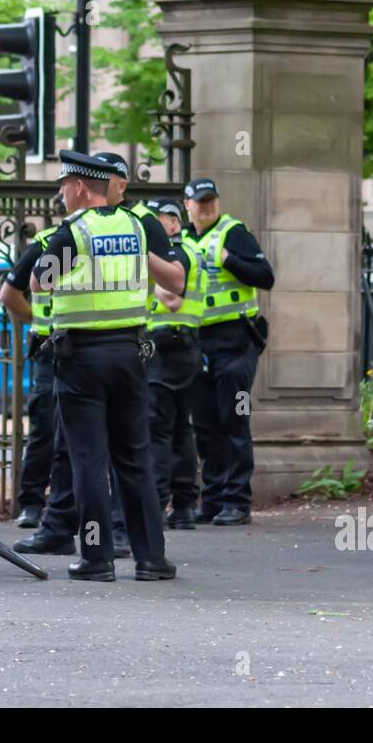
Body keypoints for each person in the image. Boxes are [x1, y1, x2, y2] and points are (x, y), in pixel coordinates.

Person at [31, 149, 182, 581]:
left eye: (63, 186)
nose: (61, 194)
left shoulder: (74, 232)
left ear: (80, 187)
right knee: (135, 458)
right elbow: (166, 275)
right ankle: (152, 557)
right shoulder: (137, 226)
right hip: (131, 354)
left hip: (82, 359)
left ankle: (96, 558)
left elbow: (40, 281)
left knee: (88, 459)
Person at [183, 177, 274, 526]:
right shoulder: (184, 240)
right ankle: (214, 497)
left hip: (235, 341)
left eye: (211, 201)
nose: (206, 206)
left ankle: (237, 500)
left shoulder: (234, 233)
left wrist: (228, 259)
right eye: (199, 201)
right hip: (198, 342)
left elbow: (265, 277)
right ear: (187, 204)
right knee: (205, 424)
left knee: (234, 419)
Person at [0, 194, 67, 530]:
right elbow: (9, 294)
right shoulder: (44, 245)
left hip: (78, 347)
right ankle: (32, 503)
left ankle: (62, 505)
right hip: (51, 349)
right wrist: (38, 320)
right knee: (44, 429)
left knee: (72, 431)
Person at [145, 198, 205, 529]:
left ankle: (156, 503)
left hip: (169, 348)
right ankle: (183, 505)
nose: (154, 225)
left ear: (173, 223)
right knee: (182, 428)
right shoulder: (188, 251)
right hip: (182, 348)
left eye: (160, 220)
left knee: (159, 429)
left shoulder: (175, 254)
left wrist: (146, 281)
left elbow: (172, 299)